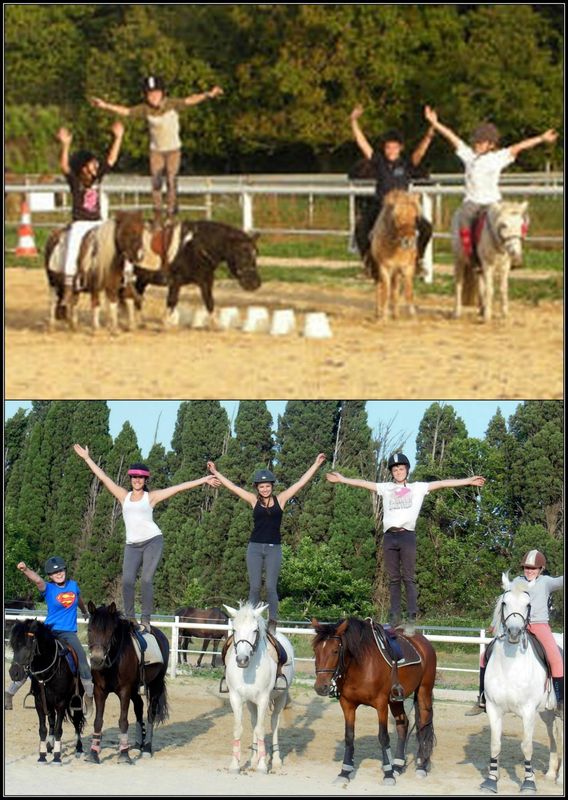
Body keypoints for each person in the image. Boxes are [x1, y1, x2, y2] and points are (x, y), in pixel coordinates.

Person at [326, 453, 486, 633]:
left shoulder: (417, 488)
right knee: (394, 578)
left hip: (407, 535)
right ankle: (394, 617)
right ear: (391, 472)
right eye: (395, 469)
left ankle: (411, 615)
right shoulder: (385, 488)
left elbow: (442, 483)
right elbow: (364, 483)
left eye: (401, 468)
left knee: (408, 577)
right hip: (389, 536)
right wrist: (342, 479)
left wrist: (468, 480)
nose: (398, 472)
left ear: (407, 470)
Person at [73, 445, 219, 631]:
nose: (137, 480)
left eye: (140, 477)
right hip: (132, 545)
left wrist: (204, 479)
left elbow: (178, 488)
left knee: (146, 580)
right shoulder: (123, 496)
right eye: (134, 477)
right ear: (131, 479)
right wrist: (87, 458)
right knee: (127, 581)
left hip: (152, 541)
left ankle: (146, 619)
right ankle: (131, 618)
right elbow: (103, 477)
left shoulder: (151, 497)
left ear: (145, 479)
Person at [423, 105, 558, 270]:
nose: (476, 144)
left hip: (493, 202)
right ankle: (471, 257)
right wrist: (436, 124)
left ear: (491, 144)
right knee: (464, 218)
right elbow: (452, 137)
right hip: (473, 201)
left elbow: (520, 146)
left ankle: (514, 253)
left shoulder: (498, 157)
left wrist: (541, 138)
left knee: (520, 218)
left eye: (481, 142)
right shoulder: (468, 155)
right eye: (476, 142)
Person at [206, 454, 327, 631]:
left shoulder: (282, 499)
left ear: (272, 486)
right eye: (261, 486)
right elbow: (232, 486)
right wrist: (215, 471)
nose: (264, 489)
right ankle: (250, 619)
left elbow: (300, 483)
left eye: (267, 486)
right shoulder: (253, 500)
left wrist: (316, 464)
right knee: (254, 587)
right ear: (257, 488)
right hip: (254, 547)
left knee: (271, 586)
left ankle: (273, 621)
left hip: (274, 548)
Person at [91, 75, 224, 226]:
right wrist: (106, 106)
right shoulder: (145, 109)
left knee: (171, 179)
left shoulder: (172, 104)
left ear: (163, 93)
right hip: (156, 151)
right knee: (156, 181)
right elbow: (126, 111)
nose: (153, 97)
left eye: (156, 93)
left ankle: (171, 214)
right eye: (149, 94)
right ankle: (158, 214)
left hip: (173, 149)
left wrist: (208, 94)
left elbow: (190, 100)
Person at [466, 549, 563, 716]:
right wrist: (494, 623)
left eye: (533, 568)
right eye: (526, 567)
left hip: (539, 625)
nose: (529, 571)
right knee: (484, 657)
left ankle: (560, 702)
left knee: (556, 659)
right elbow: (505, 603)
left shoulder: (547, 582)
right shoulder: (516, 581)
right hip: (515, 625)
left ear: (540, 569)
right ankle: (482, 698)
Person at [350, 104, 435, 275]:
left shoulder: (406, 164)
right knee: (360, 228)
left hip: (404, 208)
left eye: (394, 147)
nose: (391, 150)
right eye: (388, 147)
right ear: (384, 148)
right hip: (381, 205)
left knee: (426, 228)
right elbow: (362, 144)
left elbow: (420, 153)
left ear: (400, 148)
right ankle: (368, 262)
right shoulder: (378, 160)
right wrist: (353, 122)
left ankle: (418, 259)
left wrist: (430, 131)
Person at [5, 557, 94, 716]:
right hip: (50, 630)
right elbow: (38, 580)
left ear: (65, 570)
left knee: (82, 659)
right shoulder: (49, 588)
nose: (58, 574)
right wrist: (26, 570)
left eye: (60, 570)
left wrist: (85, 611)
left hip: (68, 632)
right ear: (50, 576)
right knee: (30, 657)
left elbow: (78, 599)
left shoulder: (73, 586)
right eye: (54, 572)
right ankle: (10, 692)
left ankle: (88, 696)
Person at [57, 121, 125, 307]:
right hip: (80, 223)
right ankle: (69, 286)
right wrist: (65, 146)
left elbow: (111, 159)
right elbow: (64, 166)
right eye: (91, 163)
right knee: (72, 248)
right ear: (83, 168)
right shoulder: (74, 180)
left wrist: (118, 138)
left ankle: (126, 278)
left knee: (120, 244)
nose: (96, 165)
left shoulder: (98, 176)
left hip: (98, 222)